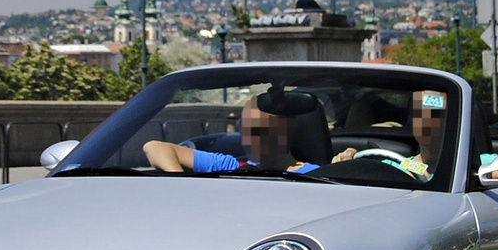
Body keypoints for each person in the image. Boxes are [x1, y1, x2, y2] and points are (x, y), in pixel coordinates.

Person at [143, 91, 354, 174]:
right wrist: (181, 182)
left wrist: (341, 170)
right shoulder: (232, 165)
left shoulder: (314, 174)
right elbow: (154, 147)